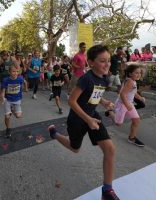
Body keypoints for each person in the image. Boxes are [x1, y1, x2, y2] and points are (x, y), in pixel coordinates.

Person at [47, 45, 120, 200]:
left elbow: (94, 94)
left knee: (110, 149)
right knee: (75, 148)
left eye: (108, 60)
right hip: (78, 119)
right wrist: (87, 119)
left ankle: (107, 190)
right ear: (91, 62)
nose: (107, 64)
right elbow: (72, 101)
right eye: (102, 61)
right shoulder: (86, 79)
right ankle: (54, 134)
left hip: (93, 116)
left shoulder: (105, 77)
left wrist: (105, 102)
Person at [107, 64, 145, 147]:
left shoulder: (133, 81)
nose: (139, 74)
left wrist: (140, 98)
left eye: (140, 73)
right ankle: (110, 112)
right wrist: (127, 105)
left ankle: (132, 138)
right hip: (122, 104)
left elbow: (134, 93)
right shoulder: (130, 81)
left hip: (129, 104)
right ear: (130, 74)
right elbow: (122, 94)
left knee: (136, 120)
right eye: (136, 73)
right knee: (118, 124)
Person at [0, 66, 24, 138]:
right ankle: (8, 129)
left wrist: (25, 89)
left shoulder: (20, 78)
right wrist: (2, 98)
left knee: (18, 116)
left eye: (17, 71)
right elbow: (3, 91)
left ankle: (12, 110)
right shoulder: (6, 80)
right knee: (7, 116)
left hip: (17, 99)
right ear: (9, 72)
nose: (15, 73)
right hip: (8, 100)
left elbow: (22, 85)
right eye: (13, 71)